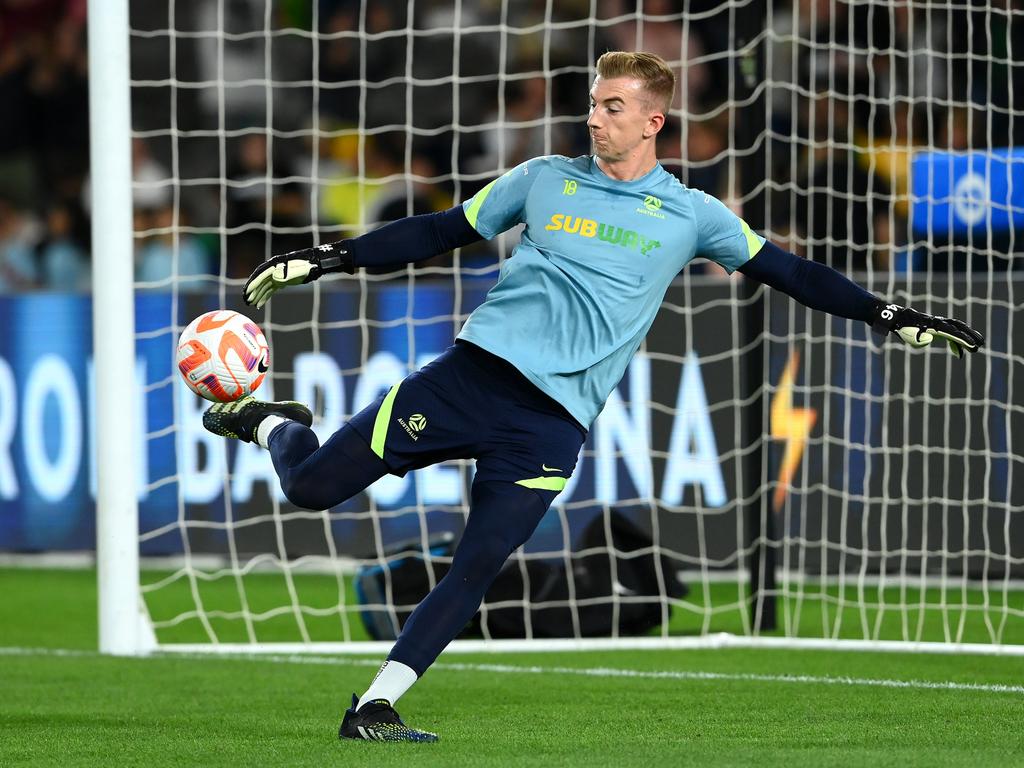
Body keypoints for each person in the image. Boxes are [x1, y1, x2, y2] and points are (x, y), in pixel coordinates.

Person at [202, 51, 984, 742]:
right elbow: (437, 232)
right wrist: (330, 257)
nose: (595, 119)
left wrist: (891, 315)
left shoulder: (691, 214)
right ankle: (276, 423)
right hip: (470, 381)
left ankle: (374, 706)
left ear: (653, 121)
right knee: (310, 489)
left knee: (476, 566)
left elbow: (794, 274)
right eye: (592, 104)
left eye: (612, 108)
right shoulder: (539, 180)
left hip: (551, 426)